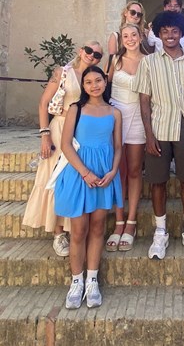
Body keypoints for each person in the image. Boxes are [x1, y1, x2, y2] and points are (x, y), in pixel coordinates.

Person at [134, 11, 184, 260]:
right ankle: (160, 232)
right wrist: (149, 135)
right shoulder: (148, 63)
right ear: (158, 33)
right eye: (165, 31)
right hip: (158, 127)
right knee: (158, 181)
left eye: (174, 31)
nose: (170, 35)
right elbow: (144, 101)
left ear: (181, 33)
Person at [23, 42, 103, 257]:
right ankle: (58, 233)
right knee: (55, 178)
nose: (91, 56)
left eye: (97, 54)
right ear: (80, 51)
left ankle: (72, 228)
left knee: (73, 179)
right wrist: (44, 134)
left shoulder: (92, 79)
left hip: (81, 132)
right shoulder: (63, 73)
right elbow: (43, 103)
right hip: (59, 129)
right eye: (89, 50)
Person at [55, 66, 123, 309]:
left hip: (104, 175)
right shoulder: (76, 109)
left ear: (105, 82)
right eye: (88, 82)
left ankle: (92, 280)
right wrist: (85, 173)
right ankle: (77, 281)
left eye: (98, 80)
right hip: (80, 174)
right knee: (79, 230)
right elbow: (65, 145)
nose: (94, 85)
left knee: (97, 228)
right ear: (83, 86)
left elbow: (117, 147)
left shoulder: (114, 113)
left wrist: (113, 171)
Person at [105, 23, 147, 252]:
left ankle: (131, 222)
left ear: (140, 37)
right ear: (121, 39)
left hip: (139, 118)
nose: (130, 39)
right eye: (125, 36)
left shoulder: (149, 61)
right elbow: (104, 86)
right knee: (118, 170)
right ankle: (119, 220)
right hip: (117, 118)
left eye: (133, 35)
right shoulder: (115, 60)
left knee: (133, 170)